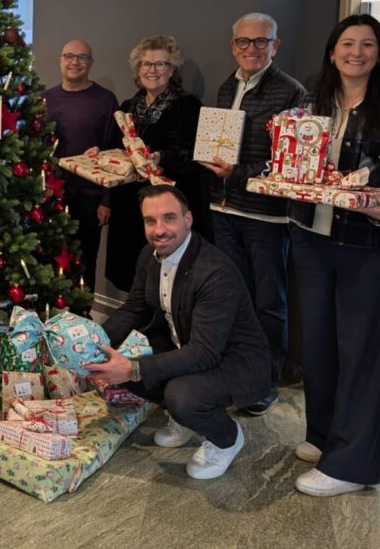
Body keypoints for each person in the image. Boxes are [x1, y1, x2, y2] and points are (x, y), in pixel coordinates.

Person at [289, 14, 380, 497]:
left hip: (370, 249)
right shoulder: (309, 107)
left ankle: (350, 465)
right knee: (318, 346)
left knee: (362, 353)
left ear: (379, 53)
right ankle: (325, 436)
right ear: (332, 52)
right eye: (347, 43)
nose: (356, 52)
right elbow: (290, 167)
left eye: (367, 44)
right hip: (310, 239)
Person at [86, 185, 270, 481]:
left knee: (181, 395)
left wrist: (132, 369)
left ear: (188, 219)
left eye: (169, 218)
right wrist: (89, 343)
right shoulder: (150, 255)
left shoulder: (214, 271)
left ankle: (227, 438)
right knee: (117, 359)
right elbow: (133, 309)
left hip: (236, 361)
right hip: (187, 346)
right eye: (150, 221)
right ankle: (183, 420)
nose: (160, 230)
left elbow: (206, 352)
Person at [198, 12, 305, 416]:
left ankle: (265, 382)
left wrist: (237, 174)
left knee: (268, 304)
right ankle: (237, 374)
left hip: (265, 216)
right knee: (234, 300)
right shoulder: (227, 87)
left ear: (275, 46)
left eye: (261, 42)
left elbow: (291, 163)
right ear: (233, 46)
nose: (252, 49)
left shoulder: (293, 93)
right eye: (244, 41)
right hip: (223, 209)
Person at [106, 36, 211, 292]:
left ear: (172, 69)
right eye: (146, 64)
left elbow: (196, 154)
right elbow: (115, 149)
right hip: (130, 206)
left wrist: (161, 158)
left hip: (167, 203)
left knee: (169, 278)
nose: (152, 70)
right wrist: (100, 153)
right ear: (137, 69)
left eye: (160, 64)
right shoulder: (128, 107)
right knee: (133, 277)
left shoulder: (189, 105)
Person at [42, 39, 118, 293]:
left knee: (85, 262)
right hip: (53, 196)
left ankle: (82, 319)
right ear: (60, 60)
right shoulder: (46, 99)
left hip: (91, 197)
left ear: (91, 63)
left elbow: (113, 150)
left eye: (82, 57)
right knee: (52, 259)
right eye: (69, 56)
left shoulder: (105, 100)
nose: (75, 62)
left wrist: (107, 199)